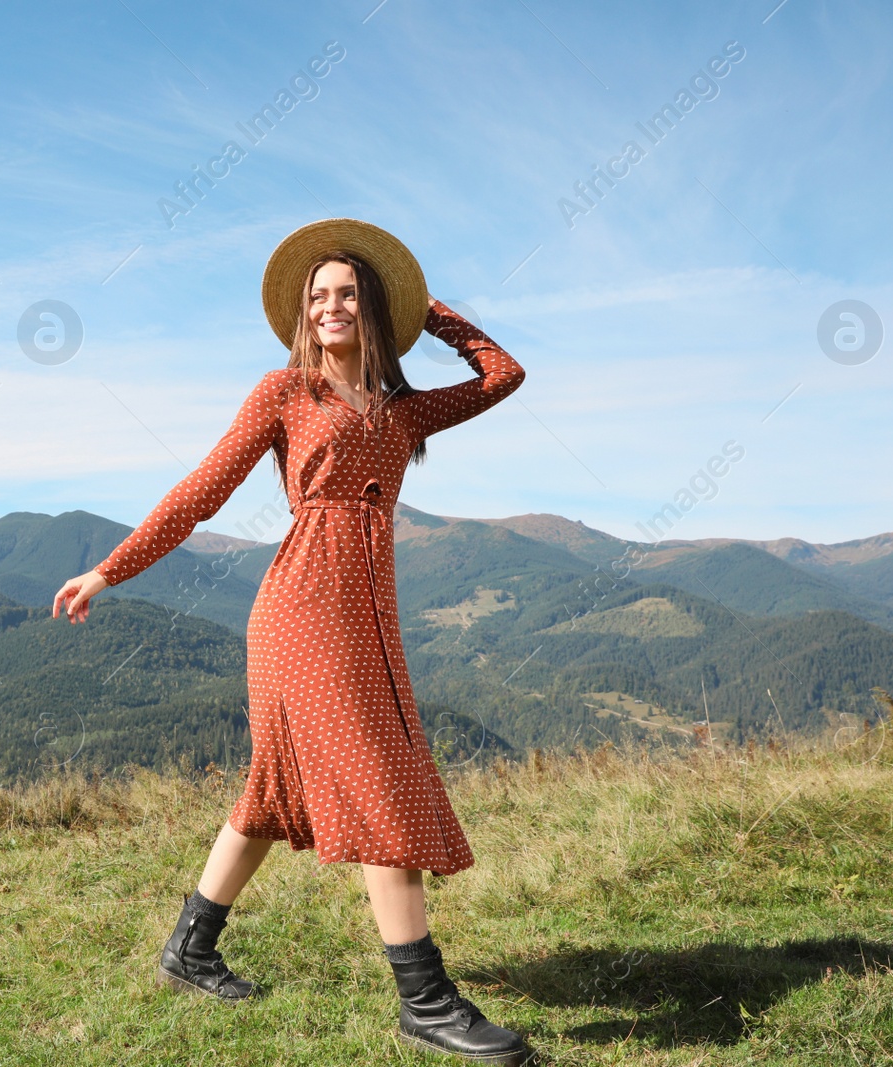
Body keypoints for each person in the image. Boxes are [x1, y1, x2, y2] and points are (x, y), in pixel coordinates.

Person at [52, 219, 533, 1064]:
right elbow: (200, 490)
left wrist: (429, 313)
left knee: (272, 796)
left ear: (372, 308)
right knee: (383, 788)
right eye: (318, 298)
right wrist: (109, 570)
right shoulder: (283, 394)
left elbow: (504, 372)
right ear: (303, 317)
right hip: (302, 613)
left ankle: (189, 947)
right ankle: (424, 999)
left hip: (366, 618)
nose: (331, 307)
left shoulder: (404, 409)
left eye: (348, 293)